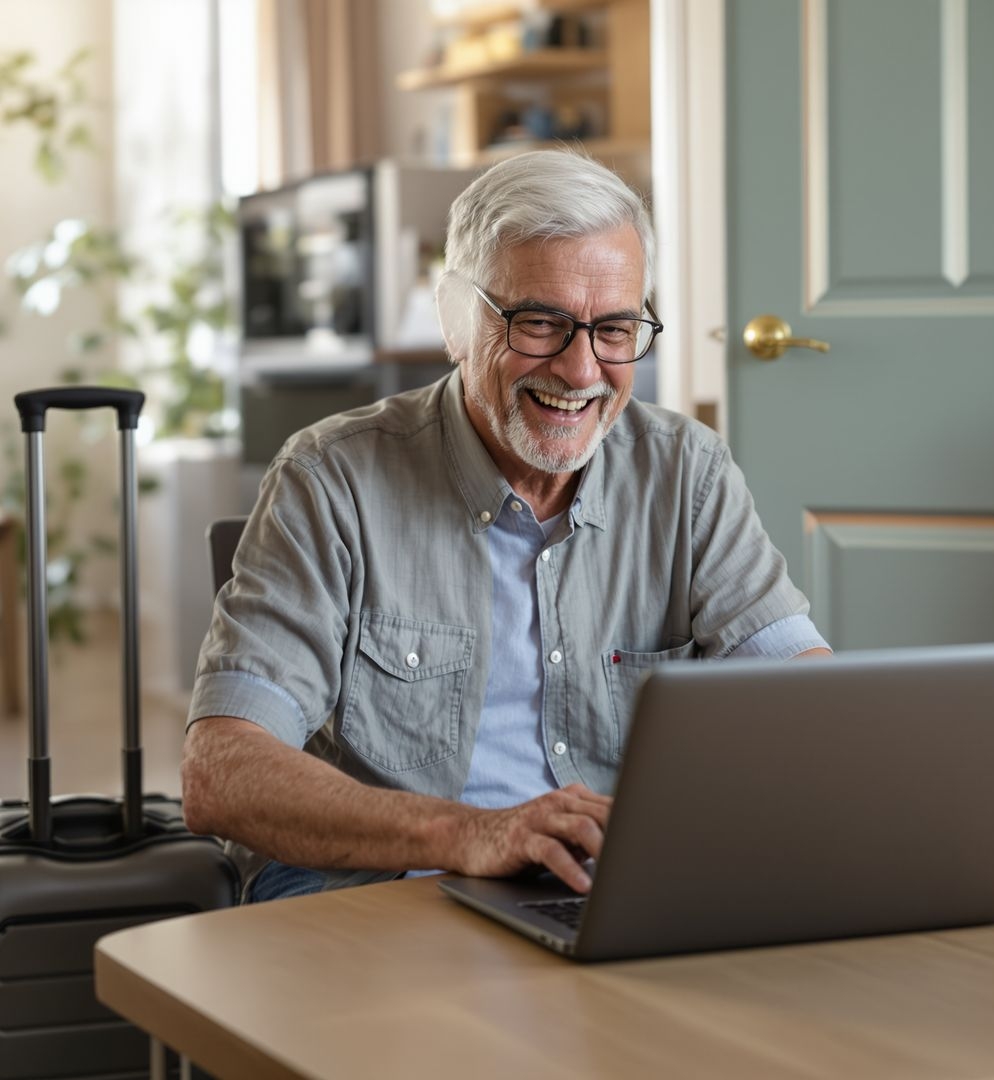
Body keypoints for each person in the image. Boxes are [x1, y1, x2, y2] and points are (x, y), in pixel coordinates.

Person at [181, 149, 830, 903]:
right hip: (375, 891)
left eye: (615, 329)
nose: (582, 370)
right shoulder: (329, 481)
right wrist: (467, 834)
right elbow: (221, 772)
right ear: (458, 321)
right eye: (541, 324)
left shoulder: (687, 471)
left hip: (607, 889)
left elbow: (804, 699)